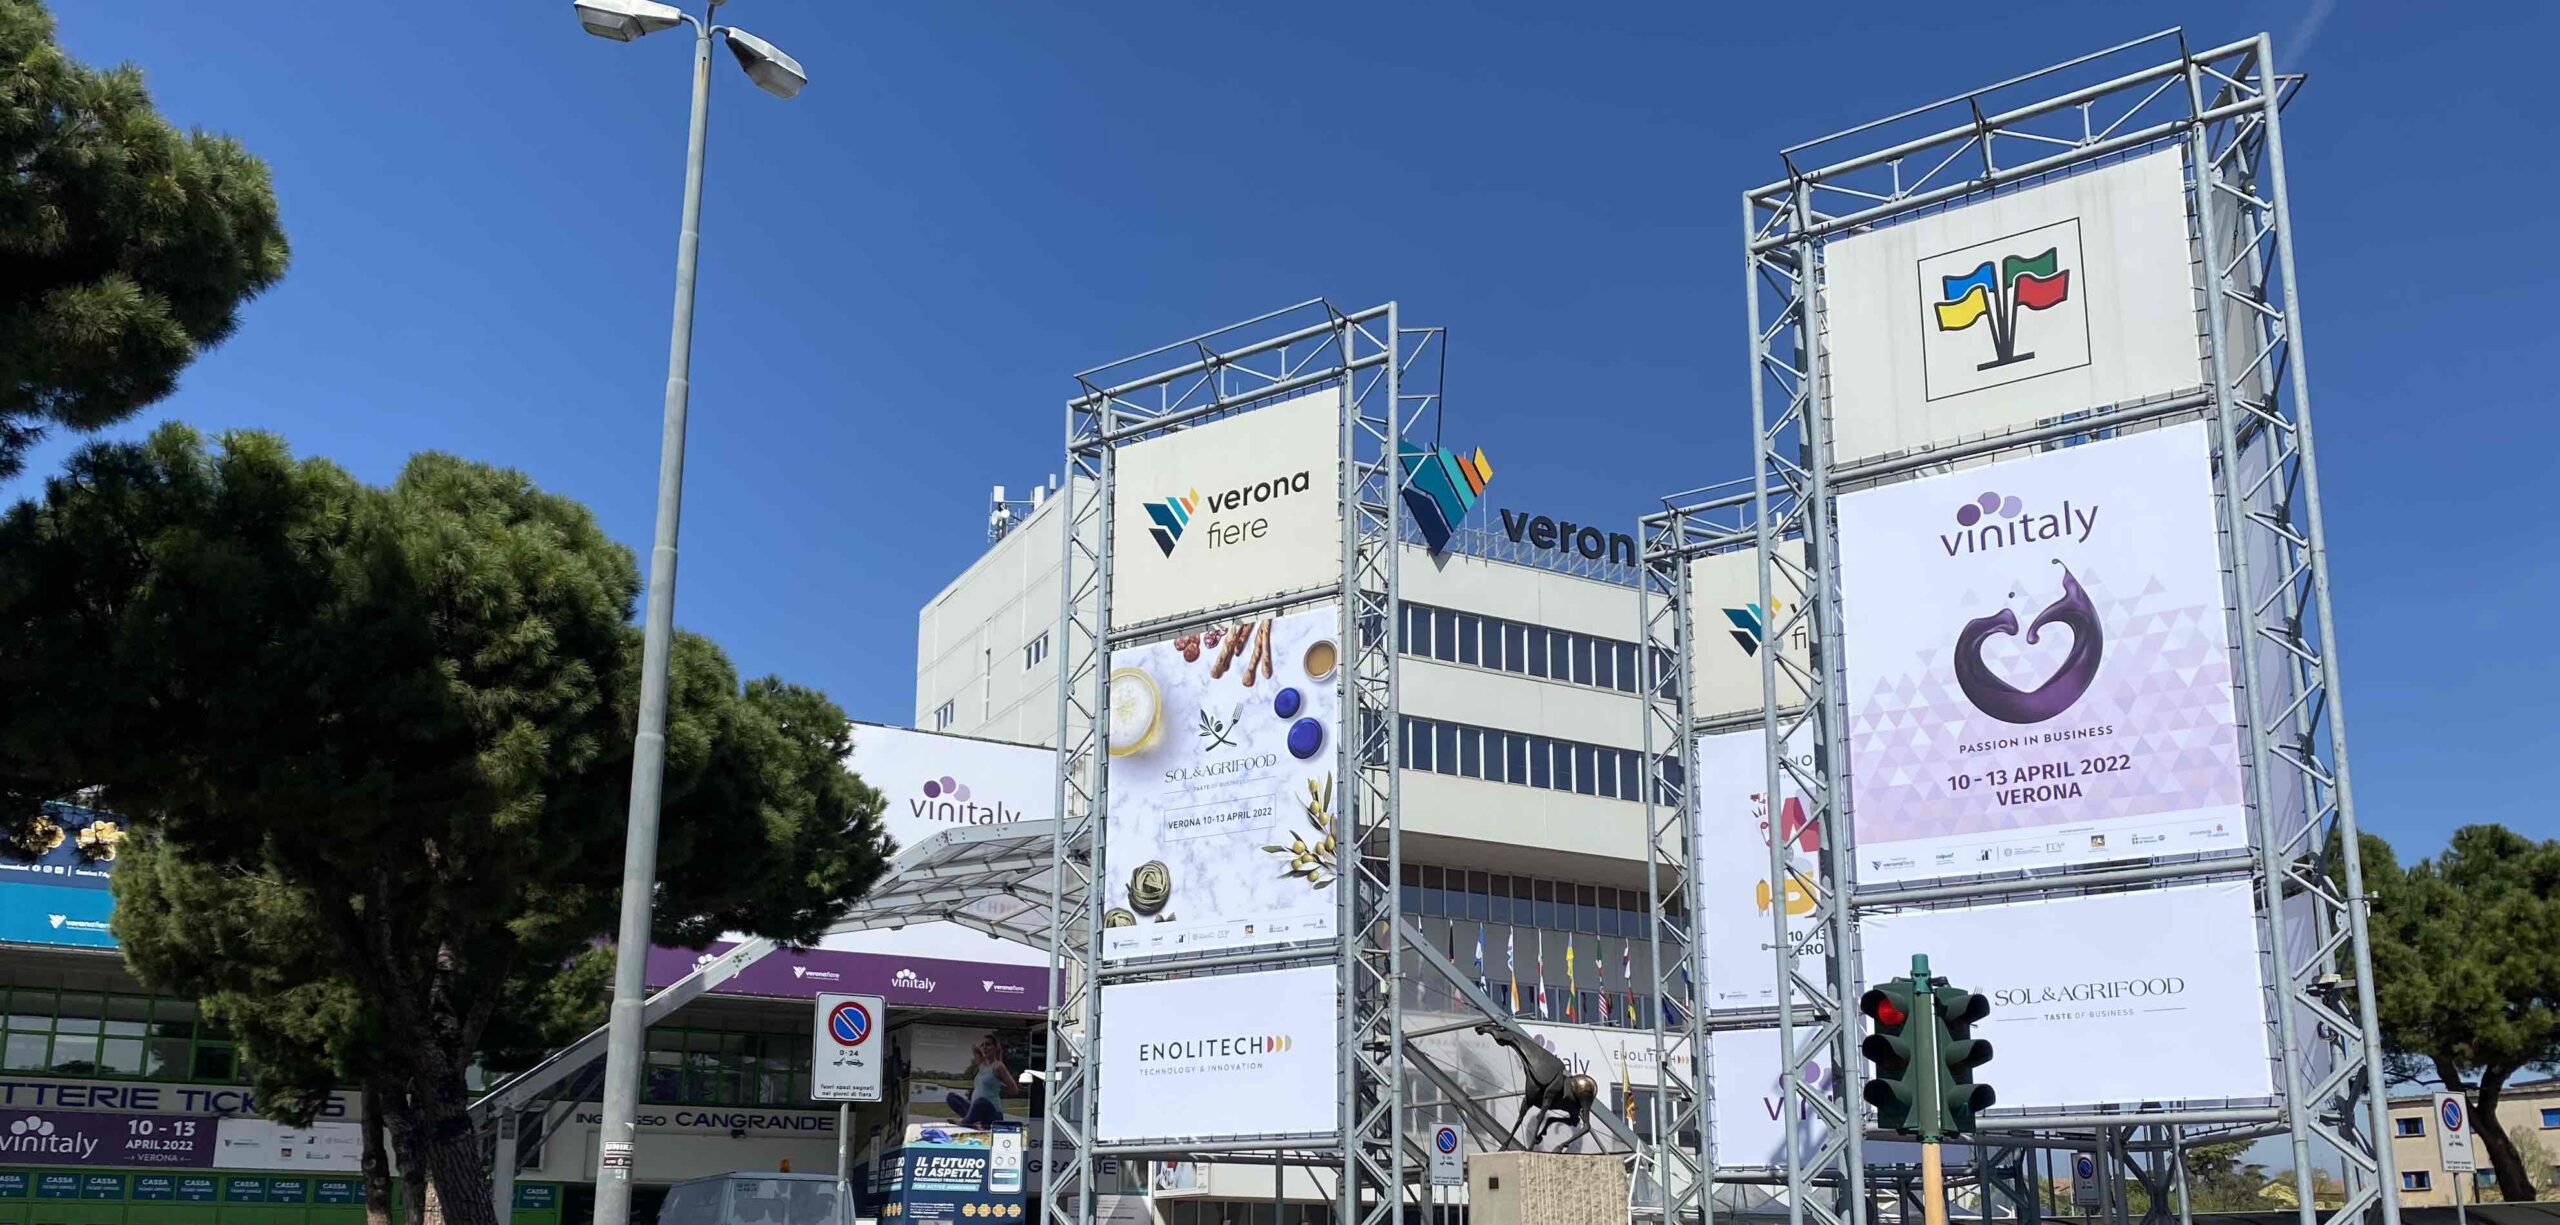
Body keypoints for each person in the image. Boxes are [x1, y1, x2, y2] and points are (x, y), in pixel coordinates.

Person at [944, 1033, 1018, 1126]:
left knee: (981, 1101)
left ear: (995, 1047)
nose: (984, 1047)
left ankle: (964, 1122)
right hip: (976, 1111)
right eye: (982, 1045)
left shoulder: (998, 1066)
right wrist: (982, 1047)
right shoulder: (982, 1065)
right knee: (951, 1097)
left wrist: (997, 1087)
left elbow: (1014, 1090)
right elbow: (974, 1048)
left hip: (992, 1114)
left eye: (988, 1045)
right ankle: (971, 1121)